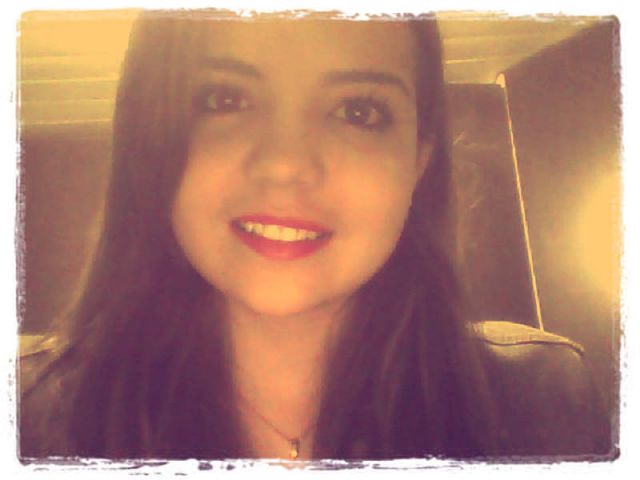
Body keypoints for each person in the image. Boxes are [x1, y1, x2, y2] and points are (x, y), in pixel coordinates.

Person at [19, 10, 611, 461]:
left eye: (358, 111)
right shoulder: (28, 419)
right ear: (151, 138)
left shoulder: (543, 401)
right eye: (225, 99)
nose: (286, 164)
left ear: (417, 162)